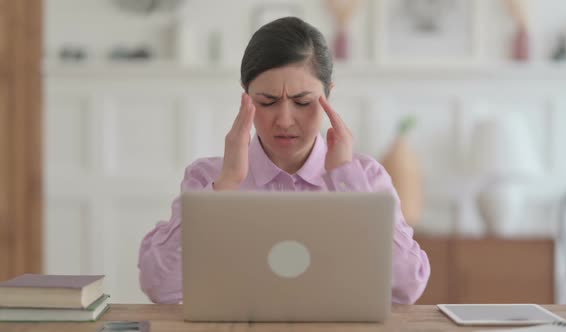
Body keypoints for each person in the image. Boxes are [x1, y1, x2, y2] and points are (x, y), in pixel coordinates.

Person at [138, 16, 430, 305]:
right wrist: (225, 185)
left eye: (303, 102)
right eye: (267, 102)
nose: (285, 120)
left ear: (329, 94)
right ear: (246, 97)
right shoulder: (208, 178)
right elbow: (160, 288)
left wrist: (346, 180)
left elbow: (406, 288)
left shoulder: (365, 177)